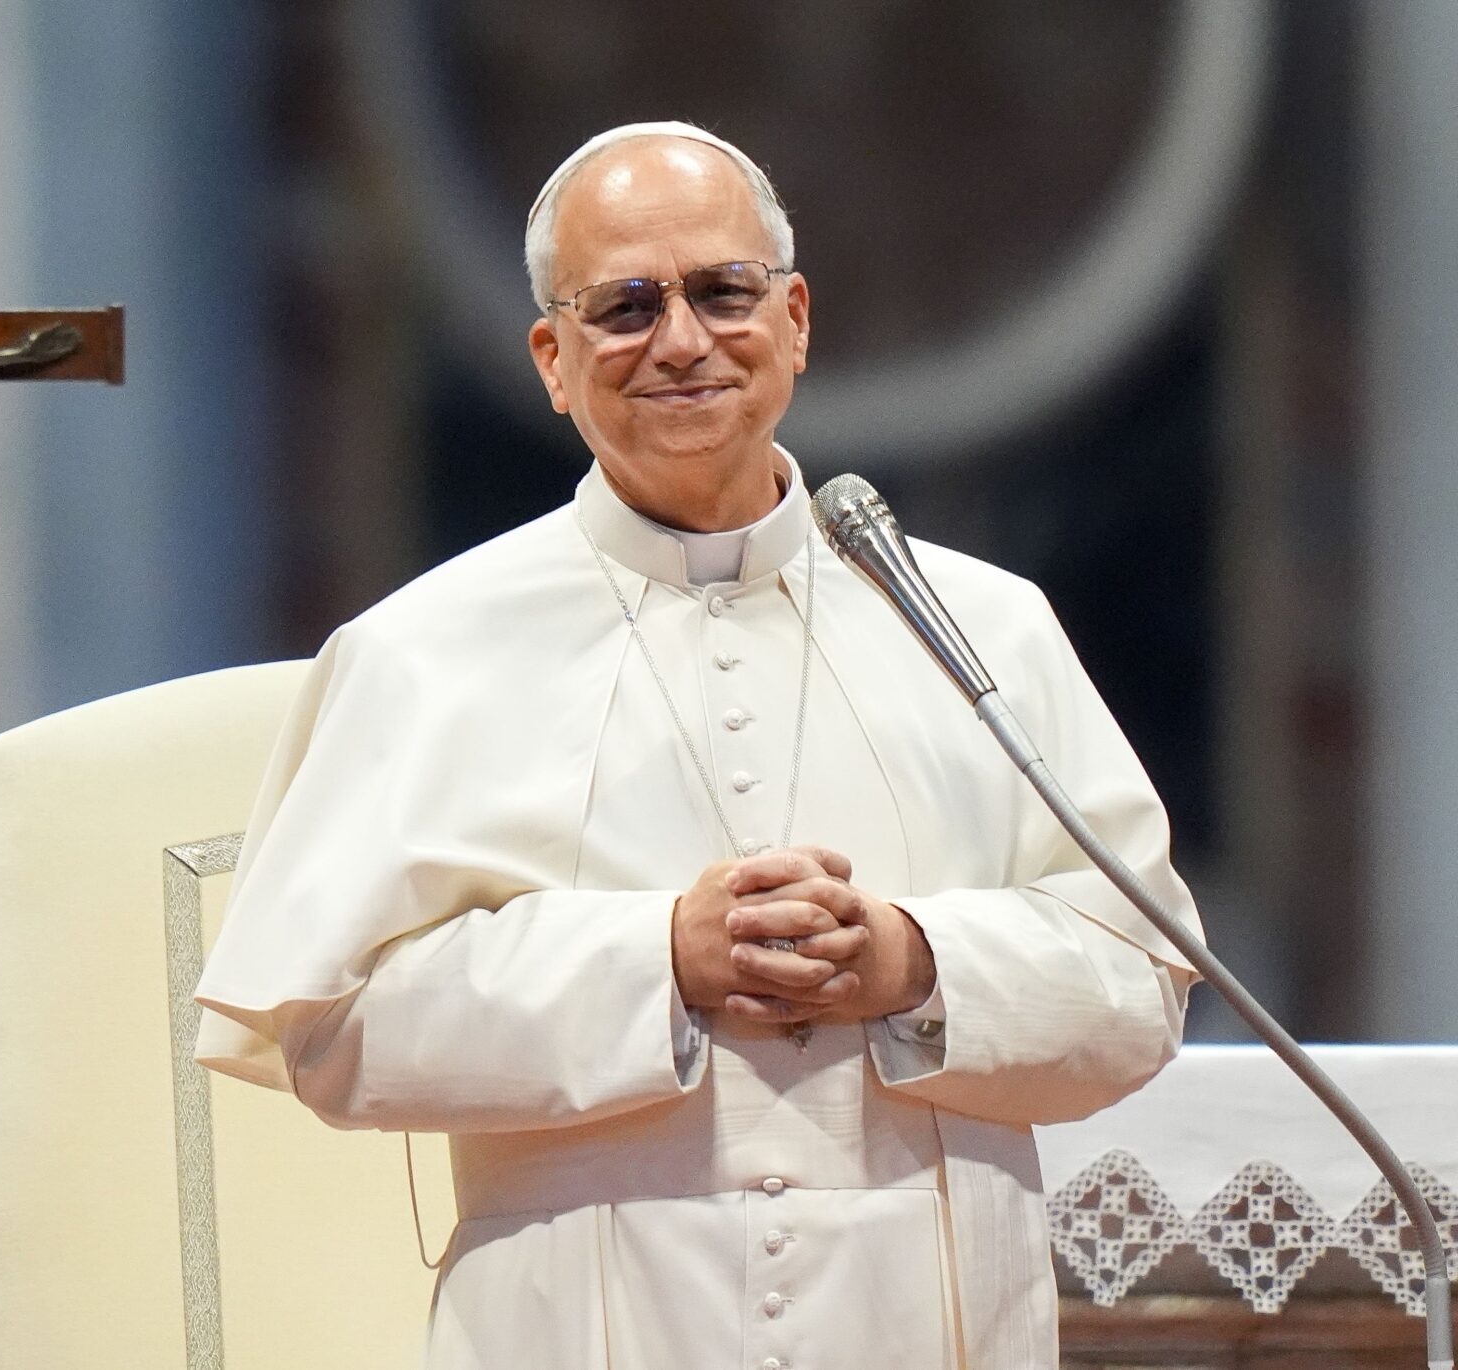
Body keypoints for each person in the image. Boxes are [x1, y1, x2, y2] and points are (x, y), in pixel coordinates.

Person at [194, 121, 1201, 1370]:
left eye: (722, 292)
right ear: (552, 360)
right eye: (622, 307)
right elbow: (331, 1031)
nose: (679, 340)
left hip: (928, 1318)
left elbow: (1139, 983)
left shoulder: (979, 625)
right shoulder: (423, 650)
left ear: (794, 320)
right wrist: (657, 955)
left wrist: (910, 957)